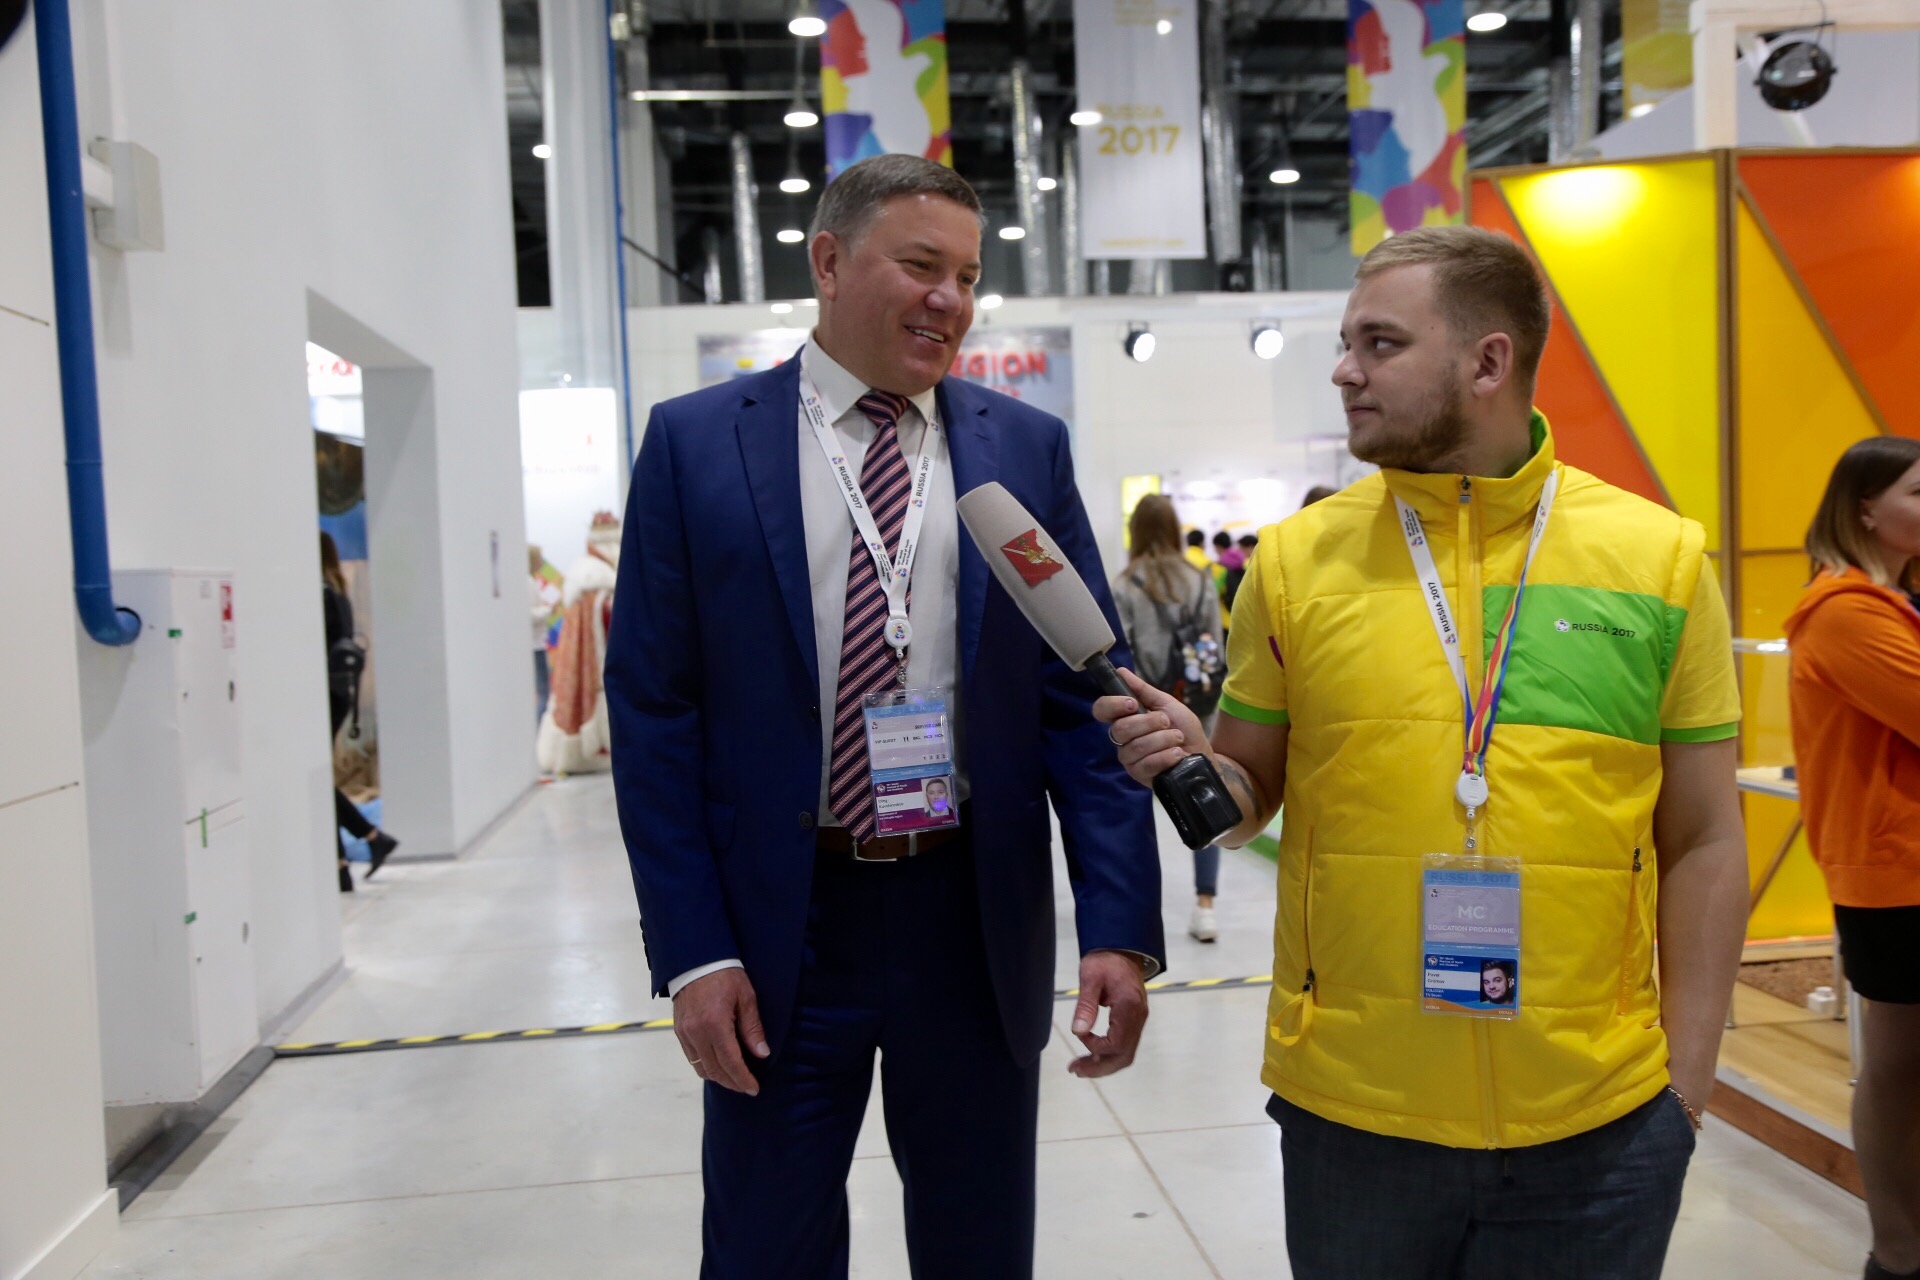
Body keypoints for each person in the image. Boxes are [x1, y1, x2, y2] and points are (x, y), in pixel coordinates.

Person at [1095, 225, 1749, 1279]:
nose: (1344, 371)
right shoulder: (1297, 562)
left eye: (1380, 343)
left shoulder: (1659, 560)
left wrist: (1688, 1085)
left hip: (1597, 1120)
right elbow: (1248, 793)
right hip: (1355, 1112)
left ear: (1488, 361)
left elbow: (1706, 836)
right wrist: (1191, 759)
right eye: (1346, 343)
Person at [604, 154, 1162, 1280]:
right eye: (921, 266)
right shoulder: (698, 443)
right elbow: (656, 714)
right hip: (781, 925)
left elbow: (1084, 698)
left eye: (968, 276)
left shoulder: (1024, 447)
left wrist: (1118, 924)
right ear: (828, 261)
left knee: (977, 1245)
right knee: (765, 1247)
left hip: (970, 918)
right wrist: (694, 949)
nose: (950, 299)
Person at [1784, 436, 1920, 1280]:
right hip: (1896, 873)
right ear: (1865, 507)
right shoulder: (1844, 612)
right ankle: (1899, 1250)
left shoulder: (1891, 602)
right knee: (1899, 1068)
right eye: (1919, 493)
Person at [1113, 494, 1227, 942]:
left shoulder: (1125, 585)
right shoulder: (1199, 579)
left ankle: (1138, 910)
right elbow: (1212, 644)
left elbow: (1119, 659)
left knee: (1134, 805)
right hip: (1197, 708)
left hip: (1145, 714)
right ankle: (1206, 907)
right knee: (1205, 795)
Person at [321, 533, 398, 889]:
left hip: (324, 695)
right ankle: (341, 864)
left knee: (318, 781)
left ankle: (368, 837)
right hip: (339, 694)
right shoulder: (339, 592)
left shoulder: (322, 595)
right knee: (320, 779)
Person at [536, 513, 621, 775]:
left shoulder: (588, 573)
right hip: (594, 655)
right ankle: (587, 750)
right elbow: (602, 617)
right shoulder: (594, 576)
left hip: (589, 653)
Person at [529, 544, 562, 724]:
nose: (541, 562)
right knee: (544, 693)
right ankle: (538, 729)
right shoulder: (528, 582)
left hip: (537, 642)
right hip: (535, 644)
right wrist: (548, 609)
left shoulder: (530, 581)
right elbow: (530, 615)